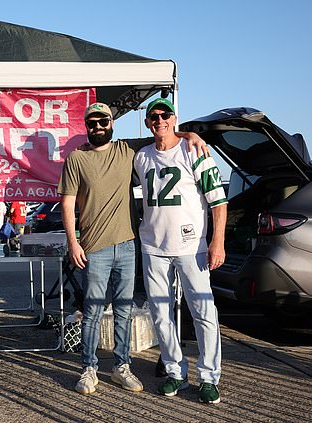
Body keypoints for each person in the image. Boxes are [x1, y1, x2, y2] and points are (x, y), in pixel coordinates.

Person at [59, 102, 209, 395]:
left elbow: (165, 136)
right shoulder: (76, 159)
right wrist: (72, 241)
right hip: (94, 246)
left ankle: (121, 366)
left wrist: (191, 134)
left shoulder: (127, 150)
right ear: (86, 126)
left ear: (112, 125)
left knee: (124, 311)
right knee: (91, 311)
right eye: (92, 123)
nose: (98, 127)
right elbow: (67, 203)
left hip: (128, 245)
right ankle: (89, 368)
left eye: (103, 121)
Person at [133, 98, 227, 404]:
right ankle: (175, 372)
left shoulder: (194, 151)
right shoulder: (142, 156)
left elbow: (218, 201)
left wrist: (217, 241)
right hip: (153, 246)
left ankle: (209, 376)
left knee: (203, 312)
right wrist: (186, 132)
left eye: (165, 114)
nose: (160, 120)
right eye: (153, 116)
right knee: (160, 315)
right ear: (147, 123)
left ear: (175, 118)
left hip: (191, 246)